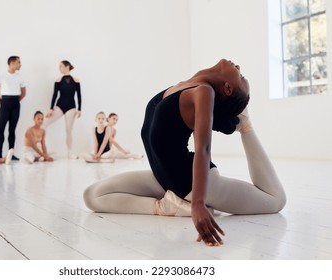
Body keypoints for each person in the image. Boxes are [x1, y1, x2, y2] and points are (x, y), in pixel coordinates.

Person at [83, 59, 286, 247]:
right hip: (165, 178)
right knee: (92, 195)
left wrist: (198, 203)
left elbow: (204, 149)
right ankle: (166, 207)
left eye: (242, 78)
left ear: (228, 88)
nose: (239, 68)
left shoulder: (204, 92)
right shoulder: (180, 87)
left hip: (196, 184)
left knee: (276, 200)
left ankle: (246, 126)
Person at [44, 60, 82, 159]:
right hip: (60, 106)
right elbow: (55, 95)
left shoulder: (76, 80)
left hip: (71, 107)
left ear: (67, 66)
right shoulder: (58, 80)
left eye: (60, 66)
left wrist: (79, 109)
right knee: (44, 123)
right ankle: (42, 150)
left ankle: (69, 153)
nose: (59, 68)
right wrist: (51, 108)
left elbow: (79, 95)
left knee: (68, 130)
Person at [0, 56, 26, 160]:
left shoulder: (19, 77)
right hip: (4, 103)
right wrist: (2, 103)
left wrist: (15, 101)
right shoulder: (1, 76)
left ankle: (11, 154)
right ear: (11, 63)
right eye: (18, 62)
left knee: (12, 130)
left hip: (15, 104)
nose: (20, 64)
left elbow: (24, 93)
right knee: (0, 129)